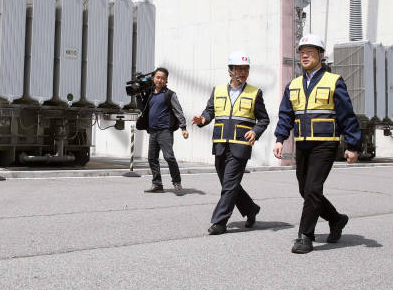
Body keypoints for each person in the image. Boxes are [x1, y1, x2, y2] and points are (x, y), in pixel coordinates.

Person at [273, 34, 362, 254]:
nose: (304, 55)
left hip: (325, 144)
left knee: (313, 188)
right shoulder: (293, 85)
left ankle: (305, 236)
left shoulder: (334, 81)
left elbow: (347, 115)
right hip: (302, 144)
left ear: (321, 56)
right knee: (306, 190)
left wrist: (353, 145)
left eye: (310, 51)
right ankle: (336, 219)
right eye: (302, 52)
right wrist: (279, 139)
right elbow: (286, 115)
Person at [191, 51, 270, 235]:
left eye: (246, 69)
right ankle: (250, 209)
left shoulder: (255, 93)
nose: (243, 73)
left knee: (229, 185)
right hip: (220, 144)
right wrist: (202, 119)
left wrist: (255, 131)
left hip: (240, 145)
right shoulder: (217, 90)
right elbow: (209, 111)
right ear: (230, 71)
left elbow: (264, 119)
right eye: (239, 69)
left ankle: (219, 222)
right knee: (229, 184)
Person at [136, 67, 189, 196]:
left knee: (169, 157)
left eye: (163, 78)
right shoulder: (149, 94)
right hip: (153, 131)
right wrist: (138, 96)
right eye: (158, 77)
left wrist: (183, 128)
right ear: (154, 78)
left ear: (166, 80)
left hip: (165, 131)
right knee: (152, 158)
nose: (160, 80)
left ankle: (177, 182)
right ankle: (157, 184)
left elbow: (178, 111)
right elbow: (143, 109)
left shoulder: (169, 94)